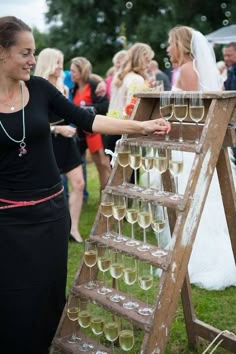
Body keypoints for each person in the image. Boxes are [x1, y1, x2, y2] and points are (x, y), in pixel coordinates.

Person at [0, 16, 170, 354]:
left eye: (34, 53)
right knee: (13, 297)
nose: (33, 61)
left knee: (48, 296)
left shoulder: (41, 90)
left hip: (50, 215)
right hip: (8, 221)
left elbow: (88, 119)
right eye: (25, 53)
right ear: (1, 53)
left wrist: (142, 127)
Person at [166, 25, 236, 290]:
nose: (168, 48)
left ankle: (199, 257)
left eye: (171, 43)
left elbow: (198, 110)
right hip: (190, 141)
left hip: (189, 143)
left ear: (182, 45)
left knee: (194, 201)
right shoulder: (189, 68)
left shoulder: (187, 70)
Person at [34, 48, 84, 243]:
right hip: (47, 142)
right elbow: (33, 125)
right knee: (50, 192)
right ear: (47, 63)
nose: (61, 66)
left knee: (79, 184)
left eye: (61, 61)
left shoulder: (63, 87)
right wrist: (58, 130)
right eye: (57, 62)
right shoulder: (37, 88)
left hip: (66, 142)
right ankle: (51, 230)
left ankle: (73, 228)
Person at [70, 56, 111, 192]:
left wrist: (87, 108)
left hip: (97, 132)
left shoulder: (93, 85)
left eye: (74, 71)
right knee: (97, 167)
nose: (71, 74)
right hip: (84, 134)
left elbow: (105, 105)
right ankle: (103, 197)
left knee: (103, 166)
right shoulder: (74, 89)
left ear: (82, 72)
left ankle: (105, 198)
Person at [106, 42, 155, 155]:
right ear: (141, 59)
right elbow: (133, 111)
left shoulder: (119, 77)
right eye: (147, 60)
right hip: (126, 131)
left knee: (115, 171)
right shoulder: (137, 79)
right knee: (129, 172)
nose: (149, 65)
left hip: (111, 129)